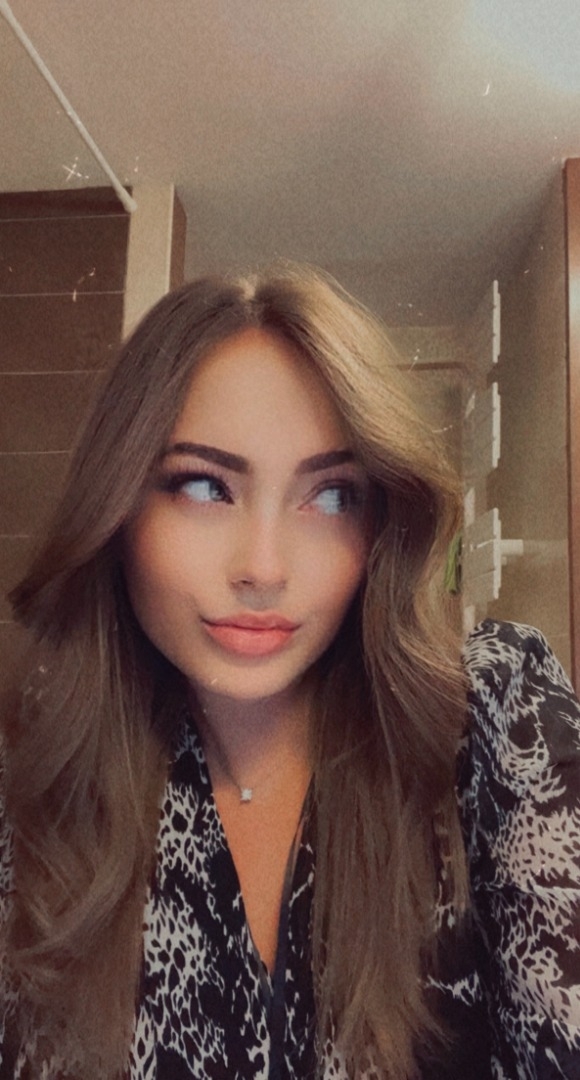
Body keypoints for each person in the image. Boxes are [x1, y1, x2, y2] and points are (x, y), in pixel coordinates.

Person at [0, 263, 578, 1080]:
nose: (264, 568)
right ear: (118, 506)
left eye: (332, 496)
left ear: (381, 524)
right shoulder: (30, 773)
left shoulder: (494, 721)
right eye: (204, 486)